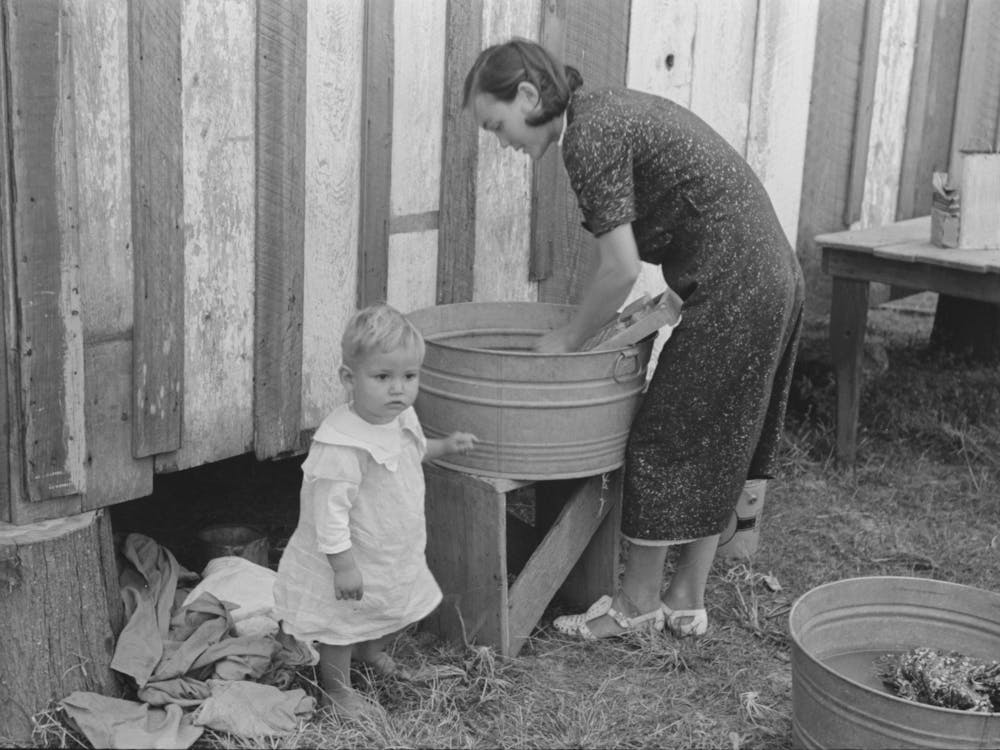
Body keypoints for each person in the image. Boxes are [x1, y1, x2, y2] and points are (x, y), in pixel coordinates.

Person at [463, 39, 804, 640]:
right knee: (724, 434)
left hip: (737, 280)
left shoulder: (588, 136)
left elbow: (619, 268)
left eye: (498, 125)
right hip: (770, 271)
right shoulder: (602, 112)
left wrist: (567, 341)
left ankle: (636, 607)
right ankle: (686, 600)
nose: (504, 142)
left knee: (663, 439)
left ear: (527, 95)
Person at [273, 304, 478, 716]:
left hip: (391, 543)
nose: (398, 389)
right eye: (382, 377)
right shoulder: (343, 444)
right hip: (350, 551)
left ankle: (371, 646)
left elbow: (411, 450)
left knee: (401, 599)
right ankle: (337, 688)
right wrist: (343, 564)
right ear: (350, 379)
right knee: (341, 622)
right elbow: (328, 511)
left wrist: (443, 446)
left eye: (409, 376)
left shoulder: (400, 416)